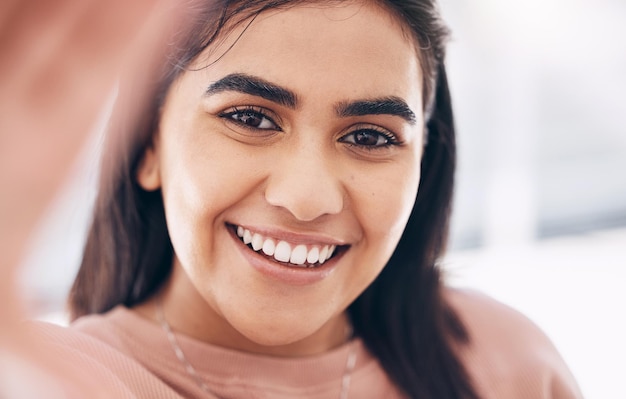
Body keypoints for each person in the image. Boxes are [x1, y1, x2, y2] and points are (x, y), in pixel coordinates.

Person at [7, 0, 582, 398]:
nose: (306, 199)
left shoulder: (506, 364)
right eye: (250, 118)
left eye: (369, 137)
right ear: (149, 143)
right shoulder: (54, 380)